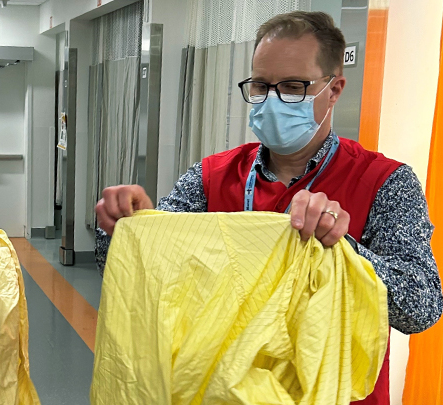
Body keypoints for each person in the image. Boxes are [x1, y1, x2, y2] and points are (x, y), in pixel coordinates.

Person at [95, 11, 442, 405]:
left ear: (334, 89)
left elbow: (421, 306)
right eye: (261, 85)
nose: (273, 100)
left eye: (293, 87)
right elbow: (144, 277)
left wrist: (343, 248)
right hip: (222, 390)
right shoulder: (212, 178)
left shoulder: (385, 183)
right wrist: (125, 225)